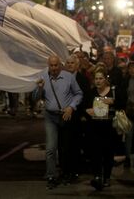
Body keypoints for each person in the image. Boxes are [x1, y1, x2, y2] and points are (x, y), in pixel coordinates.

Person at [34, 55, 83, 189]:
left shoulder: (69, 77)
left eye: (56, 65)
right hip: (50, 117)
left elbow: (79, 94)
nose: (54, 68)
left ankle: (66, 173)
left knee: (65, 147)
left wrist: (71, 107)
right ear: (48, 65)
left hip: (65, 116)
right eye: (51, 66)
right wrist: (39, 88)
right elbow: (35, 98)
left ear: (60, 65)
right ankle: (51, 175)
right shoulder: (43, 76)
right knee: (51, 148)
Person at [83, 68, 117, 190]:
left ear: (105, 80)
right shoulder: (91, 93)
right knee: (96, 153)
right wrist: (88, 111)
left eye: (100, 78)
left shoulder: (112, 92)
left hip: (109, 127)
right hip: (95, 128)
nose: (98, 81)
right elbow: (85, 108)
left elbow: (121, 105)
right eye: (96, 78)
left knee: (108, 153)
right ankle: (97, 176)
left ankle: (107, 177)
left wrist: (112, 102)